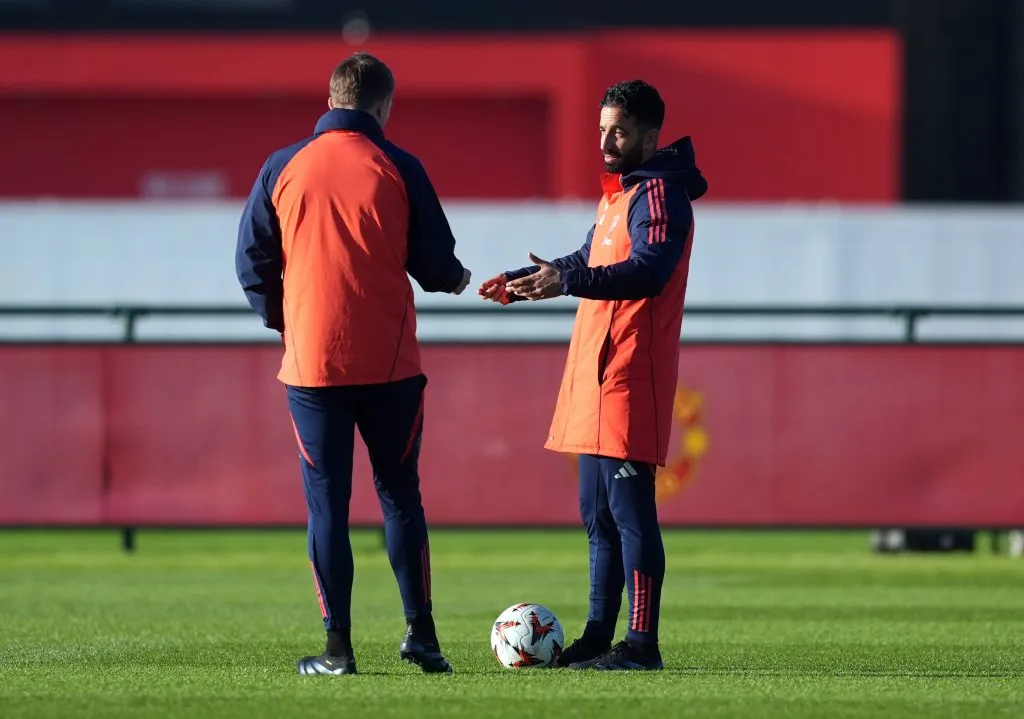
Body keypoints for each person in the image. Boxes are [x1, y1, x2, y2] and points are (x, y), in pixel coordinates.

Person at [235, 52, 471, 676]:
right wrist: (461, 279)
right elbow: (436, 264)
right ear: (383, 105)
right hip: (391, 368)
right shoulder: (399, 164)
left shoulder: (282, 166)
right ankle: (422, 638)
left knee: (326, 508)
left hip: (313, 369)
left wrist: (289, 321)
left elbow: (251, 263)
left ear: (332, 97)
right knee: (400, 499)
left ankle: (338, 651)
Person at [478, 80, 707, 671]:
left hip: (631, 375)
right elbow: (587, 262)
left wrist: (569, 281)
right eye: (602, 128)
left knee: (632, 516)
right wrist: (531, 277)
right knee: (597, 517)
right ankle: (600, 636)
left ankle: (642, 645)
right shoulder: (620, 195)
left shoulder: (659, 194)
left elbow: (649, 272)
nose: (605, 141)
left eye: (620, 131)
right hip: (595, 376)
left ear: (650, 137)